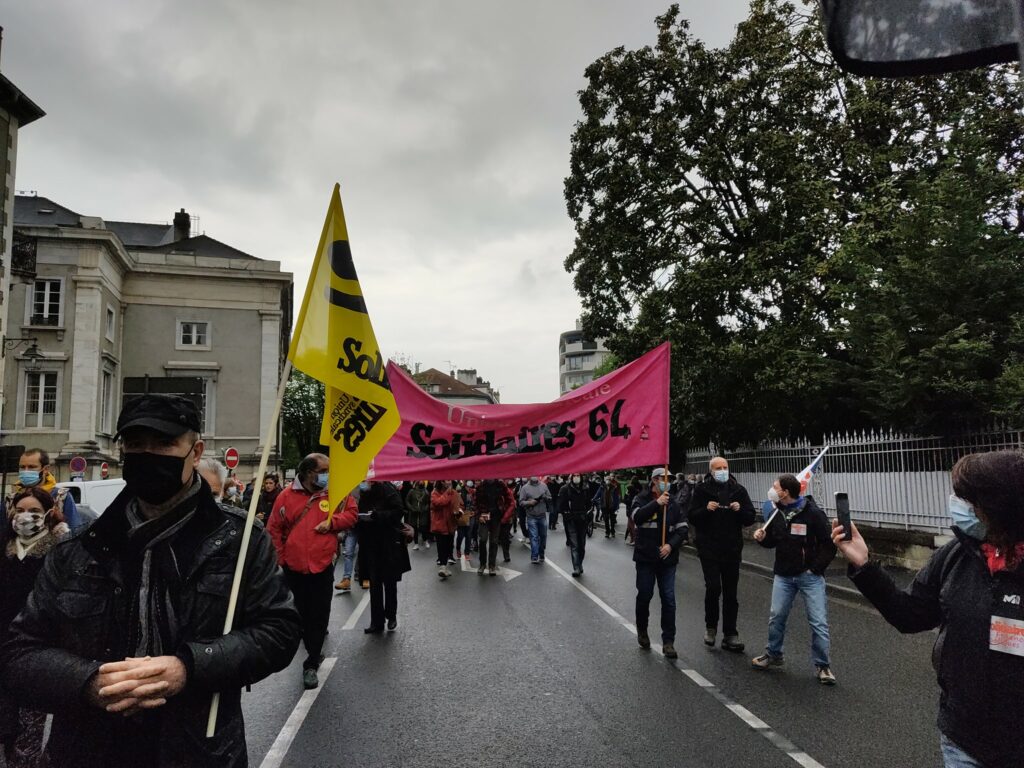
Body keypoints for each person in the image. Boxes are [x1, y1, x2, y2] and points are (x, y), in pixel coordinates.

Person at [0, 394, 301, 767]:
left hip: (199, 752)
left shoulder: (239, 542)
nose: (148, 455)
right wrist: (89, 681)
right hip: (88, 750)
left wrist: (189, 667)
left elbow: (279, 631)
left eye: (163, 443)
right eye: (136, 444)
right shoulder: (78, 547)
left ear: (195, 452)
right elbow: (20, 653)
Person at [835, 450, 1024, 767]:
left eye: (968, 499)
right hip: (964, 741)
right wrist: (864, 565)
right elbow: (909, 615)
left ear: (998, 507)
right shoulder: (957, 554)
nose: (957, 504)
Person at [267, 453, 357, 689]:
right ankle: (311, 645)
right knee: (299, 614)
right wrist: (281, 561)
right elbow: (274, 530)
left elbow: (351, 514)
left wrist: (332, 523)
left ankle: (312, 661)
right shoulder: (286, 496)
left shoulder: (334, 493)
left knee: (319, 614)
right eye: (324, 471)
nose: (329, 475)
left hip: (322, 566)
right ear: (309, 473)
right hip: (293, 569)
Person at [0, 487, 70, 767]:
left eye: (34, 511)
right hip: (4, 641)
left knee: (32, 721)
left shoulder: (60, 549)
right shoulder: (5, 545)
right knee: (7, 719)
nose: (25, 517)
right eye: (19, 510)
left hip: (39, 645)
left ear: (49, 513)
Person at [751, 473, 837, 684]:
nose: (772, 491)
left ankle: (823, 666)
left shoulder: (813, 513)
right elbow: (774, 540)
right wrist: (763, 538)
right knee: (776, 617)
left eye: (775, 487)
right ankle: (773, 654)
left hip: (809, 577)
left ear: (785, 492)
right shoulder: (777, 512)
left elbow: (829, 545)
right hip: (783, 575)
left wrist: (815, 569)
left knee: (818, 622)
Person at [688, 457, 755, 652]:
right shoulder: (701, 490)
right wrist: (705, 510)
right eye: (718, 468)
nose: (722, 470)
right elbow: (692, 516)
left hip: (732, 549)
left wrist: (740, 510)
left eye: (725, 467)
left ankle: (730, 634)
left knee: (731, 593)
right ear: (711, 471)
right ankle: (711, 627)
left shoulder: (738, 490)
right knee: (713, 587)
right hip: (709, 548)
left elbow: (750, 517)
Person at [630, 467, 688, 659]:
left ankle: (668, 641)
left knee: (669, 599)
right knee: (645, 594)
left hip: (667, 559)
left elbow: (682, 529)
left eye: (669, 479)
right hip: (646, 557)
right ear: (654, 480)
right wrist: (656, 503)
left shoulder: (674, 503)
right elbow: (637, 518)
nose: (667, 482)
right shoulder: (641, 498)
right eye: (663, 478)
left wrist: (670, 546)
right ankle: (642, 630)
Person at [356, 478, 411, 633]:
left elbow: (398, 511)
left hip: (389, 543)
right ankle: (377, 621)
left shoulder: (388, 489)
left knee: (390, 581)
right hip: (370, 543)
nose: (364, 482)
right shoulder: (364, 493)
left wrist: (378, 515)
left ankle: (391, 616)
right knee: (374, 583)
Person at [6, 448, 80, 530]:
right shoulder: (10, 500)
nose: (26, 471)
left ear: (46, 469)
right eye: (22, 467)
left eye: (31, 467)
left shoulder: (61, 497)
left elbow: (75, 530)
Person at [474, 478, 514, 576]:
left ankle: (492, 565)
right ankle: (482, 564)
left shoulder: (501, 485)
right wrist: (478, 516)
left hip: (496, 517)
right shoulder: (480, 486)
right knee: (482, 539)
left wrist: (505, 516)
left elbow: (511, 501)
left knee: (494, 541)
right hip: (484, 516)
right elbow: (475, 503)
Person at [558, 473, 592, 577]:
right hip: (571, 520)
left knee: (582, 545)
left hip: (582, 519)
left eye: (578, 475)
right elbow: (561, 505)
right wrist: (567, 514)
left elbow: (589, 504)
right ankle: (576, 567)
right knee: (575, 545)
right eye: (574, 475)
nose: (576, 477)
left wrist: (588, 515)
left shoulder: (585, 489)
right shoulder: (565, 489)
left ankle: (580, 564)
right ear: (571, 477)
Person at [519, 476, 552, 564]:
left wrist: (545, 497)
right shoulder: (525, 488)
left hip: (542, 515)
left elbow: (550, 497)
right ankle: (534, 556)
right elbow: (521, 502)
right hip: (531, 516)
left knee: (543, 536)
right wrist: (530, 502)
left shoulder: (544, 486)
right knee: (534, 537)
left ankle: (541, 554)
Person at [429, 480, 459, 578]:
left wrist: (459, 511)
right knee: (441, 546)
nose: (448, 482)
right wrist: (447, 493)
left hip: (451, 523)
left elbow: (459, 504)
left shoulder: (454, 492)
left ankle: (444, 566)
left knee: (449, 545)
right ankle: (443, 567)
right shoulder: (435, 492)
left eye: (450, 480)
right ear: (441, 481)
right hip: (439, 524)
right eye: (446, 480)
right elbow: (438, 503)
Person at [405, 480, 432, 551]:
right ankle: (416, 543)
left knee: (423, 527)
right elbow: (407, 501)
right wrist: (411, 508)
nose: (421, 481)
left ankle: (425, 540)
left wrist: (425, 508)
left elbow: (428, 502)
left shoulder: (426, 492)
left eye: (422, 480)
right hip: (414, 513)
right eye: (419, 480)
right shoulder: (411, 491)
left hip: (423, 513)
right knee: (415, 528)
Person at [596, 472, 621, 538]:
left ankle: (612, 532)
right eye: (607, 479)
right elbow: (597, 494)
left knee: (612, 520)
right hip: (604, 506)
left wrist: (617, 506)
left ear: (610, 481)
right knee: (606, 520)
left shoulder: (614, 488)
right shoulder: (602, 487)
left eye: (609, 480)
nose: (608, 481)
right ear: (605, 480)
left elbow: (616, 498)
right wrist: (593, 499)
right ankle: (607, 532)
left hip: (612, 506)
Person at [455, 480, 474, 560]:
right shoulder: (460, 492)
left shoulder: (474, 492)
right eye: (467, 486)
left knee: (469, 535)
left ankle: (467, 553)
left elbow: (476, 503)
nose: (469, 488)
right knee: (460, 535)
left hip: (471, 515)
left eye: (470, 486)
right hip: (462, 515)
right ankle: (458, 549)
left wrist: (474, 510)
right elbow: (457, 504)